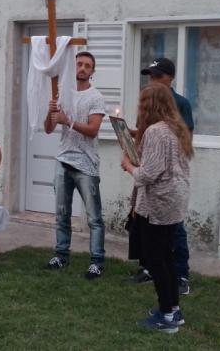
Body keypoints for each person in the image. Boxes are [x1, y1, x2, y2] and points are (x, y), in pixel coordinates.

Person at [121, 83, 192, 334]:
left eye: (141, 104)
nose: (139, 109)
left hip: (158, 204)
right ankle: (173, 309)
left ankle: (168, 316)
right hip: (174, 201)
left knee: (157, 260)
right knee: (167, 258)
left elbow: (147, 175)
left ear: (148, 105)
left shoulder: (155, 132)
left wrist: (128, 165)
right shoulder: (175, 128)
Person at [130, 57, 194, 294]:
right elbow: (148, 136)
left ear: (170, 78)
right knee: (146, 228)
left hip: (165, 184)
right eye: (150, 76)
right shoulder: (149, 104)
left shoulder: (180, 104)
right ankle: (150, 268)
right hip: (151, 176)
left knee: (173, 231)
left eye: (158, 76)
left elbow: (183, 141)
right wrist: (132, 135)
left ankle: (181, 275)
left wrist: (131, 166)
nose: (153, 81)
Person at [44, 51, 107, 280]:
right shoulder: (62, 95)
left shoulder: (96, 97)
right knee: (61, 213)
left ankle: (97, 261)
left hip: (86, 164)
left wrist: (68, 120)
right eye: (79, 64)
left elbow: (93, 130)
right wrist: (51, 112)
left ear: (92, 71)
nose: (82, 68)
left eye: (87, 65)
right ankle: (61, 255)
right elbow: (49, 128)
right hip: (63, 159)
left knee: (93, 217)